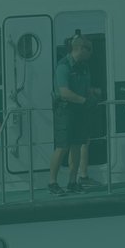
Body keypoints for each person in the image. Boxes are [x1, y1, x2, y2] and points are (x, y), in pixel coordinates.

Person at [47, 34, 103, 194]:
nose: (91, 53)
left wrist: (93, 95)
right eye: (89, 49)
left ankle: (72, 181)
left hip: (80, 112)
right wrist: (85, 101)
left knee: (77, 146)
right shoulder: (63, 66)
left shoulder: (84, 68)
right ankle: (52, 182)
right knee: (62, 147)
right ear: (80, 48)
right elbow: (64, 92)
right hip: (65, 112)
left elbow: (85, 89)